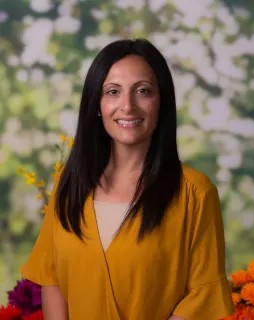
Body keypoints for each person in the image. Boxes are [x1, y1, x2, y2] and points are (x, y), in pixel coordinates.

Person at [21, 38, 234, 320]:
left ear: (162, 102)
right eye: (112, 92)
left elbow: (204, 294)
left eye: (143, 91)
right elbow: (52, 277)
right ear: (96, 103)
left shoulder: (195, 193)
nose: (128, 106)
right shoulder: (69, 181)